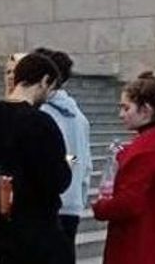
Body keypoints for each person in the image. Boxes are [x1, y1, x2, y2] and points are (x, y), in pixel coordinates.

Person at [0, 53, 72, 264]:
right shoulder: (40, 123)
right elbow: (56, 180)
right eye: (51, 87)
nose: (49, 95)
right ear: (44, 81)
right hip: (38, 228)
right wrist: (68, 164)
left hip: (1, 227)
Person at [92, 71, 155, 264]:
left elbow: (128, 203)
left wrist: (101, 206)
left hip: (137, 248)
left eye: (126, 108)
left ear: (146, 110)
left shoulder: (145, 150)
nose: (121, 114)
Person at [33, 48, 92, 246]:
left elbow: (66, 158)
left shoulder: (43, 114)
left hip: (49, 204)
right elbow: (81, 161)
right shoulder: (78, 116)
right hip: (71, 201)